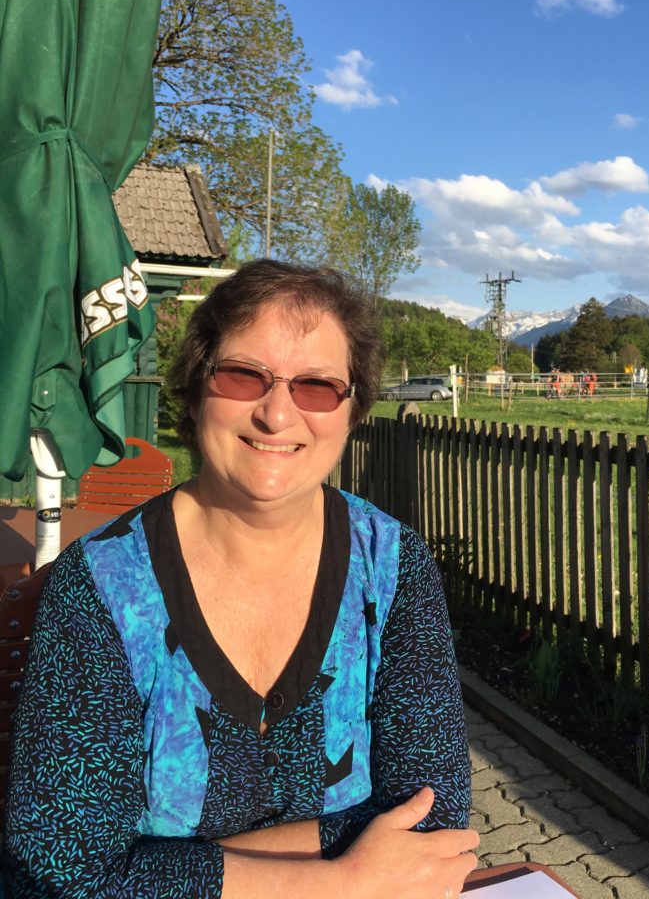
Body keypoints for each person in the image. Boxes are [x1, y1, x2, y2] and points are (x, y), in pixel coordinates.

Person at [2, 260, 477, 899]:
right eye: (243, 375)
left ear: (351, 410)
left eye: (316, 386)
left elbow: (432, 812)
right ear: (197, 390)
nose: (277, 414)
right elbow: (60, 870)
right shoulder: (103, 586)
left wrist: (152, 869)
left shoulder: (390, 564)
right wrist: (345, 879)